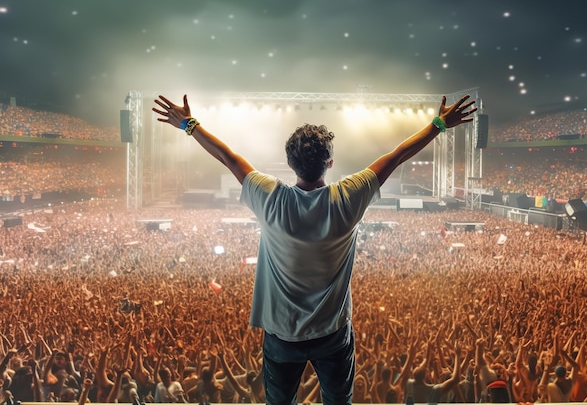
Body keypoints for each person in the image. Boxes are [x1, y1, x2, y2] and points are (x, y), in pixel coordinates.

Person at [152, 93, 476, 405]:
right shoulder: (347, 198)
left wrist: (189, 124)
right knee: (338, 402)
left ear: (290, 163)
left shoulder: (271, 199)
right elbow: (396, 156)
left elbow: (228, 157)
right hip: (332, 334)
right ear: (330, 163)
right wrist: (438, 124)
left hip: (282, 336)